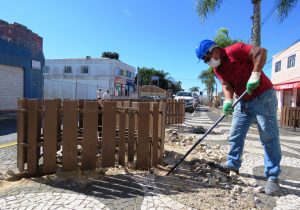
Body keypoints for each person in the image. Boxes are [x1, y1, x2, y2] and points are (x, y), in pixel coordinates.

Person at [196, 39, 282, 195]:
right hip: (242, 100)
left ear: (214, 50)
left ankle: (273, 177)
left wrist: (255, 74)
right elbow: (226, 84)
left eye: (207, 58)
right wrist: (228, 100)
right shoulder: (217, 70)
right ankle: (233, 164)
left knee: (269, 136)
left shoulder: (234, 50)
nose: (207, 62)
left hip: (263, 96)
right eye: (205, 61)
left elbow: (261, 52)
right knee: (235, 134)